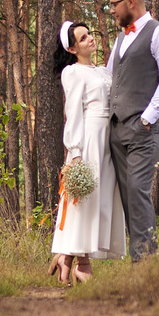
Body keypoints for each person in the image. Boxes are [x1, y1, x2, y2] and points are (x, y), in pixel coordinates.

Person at [103, 0, 159, 263]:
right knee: (127, 195)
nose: (111, 10)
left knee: (137, 190)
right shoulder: (122, 36)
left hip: (143, 129)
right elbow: (111, 77)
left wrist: (147, 120)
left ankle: (145, 262)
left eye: (114, 4)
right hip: (117, 129)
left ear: (131, 1)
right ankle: (140, 259)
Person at [47, 20, 124, 283]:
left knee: (100, 197)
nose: (90, 39)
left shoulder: (103, 71)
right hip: (89, 139)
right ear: (71, 49)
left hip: (108, 139)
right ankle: (81, 262)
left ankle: (66, 257)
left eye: (89, 34)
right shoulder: (74, 72)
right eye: (82, 38)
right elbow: (73, 113)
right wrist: (76, 151)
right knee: (85, 199)